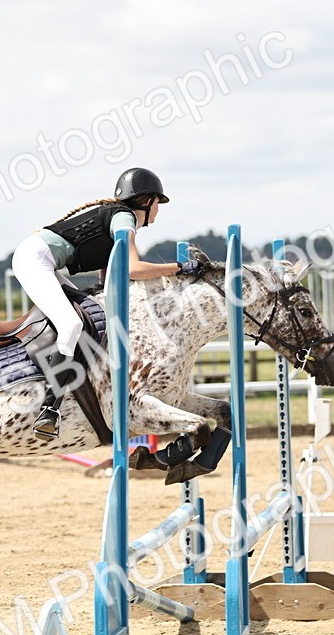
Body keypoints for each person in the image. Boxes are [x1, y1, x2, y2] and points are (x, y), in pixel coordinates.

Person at [10, 167, 201, 439]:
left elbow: (110, 279)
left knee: (89, 314)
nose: (159, 209)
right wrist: (179, 268)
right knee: (71, 325)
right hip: (35, 260)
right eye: (159, 202)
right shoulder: (124, 220)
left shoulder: (116, 221)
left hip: (44, 262)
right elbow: (133, 269)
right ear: (147, 201)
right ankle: (49, 409)